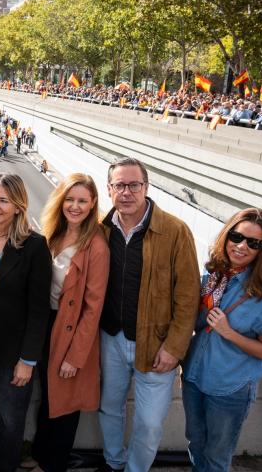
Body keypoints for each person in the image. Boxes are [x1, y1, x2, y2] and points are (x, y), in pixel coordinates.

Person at [97, 157, 200, 472]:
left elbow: (188, 296)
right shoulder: (100, 229)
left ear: (146, 187)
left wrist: (174, 347)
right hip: (111, 339)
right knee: (109, 409)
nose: (126, 192)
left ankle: (136, 469)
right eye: (119, 186)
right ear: (109, 189)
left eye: (134, 185)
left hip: (157, 345)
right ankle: (114, 462)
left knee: (151, 423)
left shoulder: (175, 231)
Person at [182, 208, 262, 471]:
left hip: (229, 387)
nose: (241, 246)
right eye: (236, 237)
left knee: (216, 456)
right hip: (195, 377)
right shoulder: (212, 278)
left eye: (253, 243)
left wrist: (229, 333)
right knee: (195, 444)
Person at [0, 173, 52, 472]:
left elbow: (39, 309)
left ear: (18, 205)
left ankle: (3, 466)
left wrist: (28, 359)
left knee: (11, 415)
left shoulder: (35, 247)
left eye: (3, 200)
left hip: (15, 346)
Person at [26, 174, 110, 472]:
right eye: (70, 200)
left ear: (93, 204)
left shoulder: (97, 246)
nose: (75, 206)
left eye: (82, 201)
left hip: (70, 330)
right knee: (48, 396)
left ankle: (53, 463)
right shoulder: (55, 233)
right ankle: (40, 453)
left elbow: (93, 308)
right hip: (46, 323)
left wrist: (75, 356)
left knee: (64, 402)